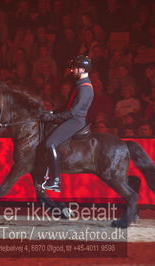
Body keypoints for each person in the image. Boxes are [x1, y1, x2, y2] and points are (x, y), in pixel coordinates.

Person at [40, 55, 94, 192]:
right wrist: (51, 113)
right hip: (71, 118)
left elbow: (72, 112)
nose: (72, 71)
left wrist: (53, 117)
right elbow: (67, 106)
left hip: (75, 121)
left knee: (50, 143)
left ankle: (55, 180)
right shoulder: (80, 85)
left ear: (82, 69)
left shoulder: (85, 88)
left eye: (74, 68)